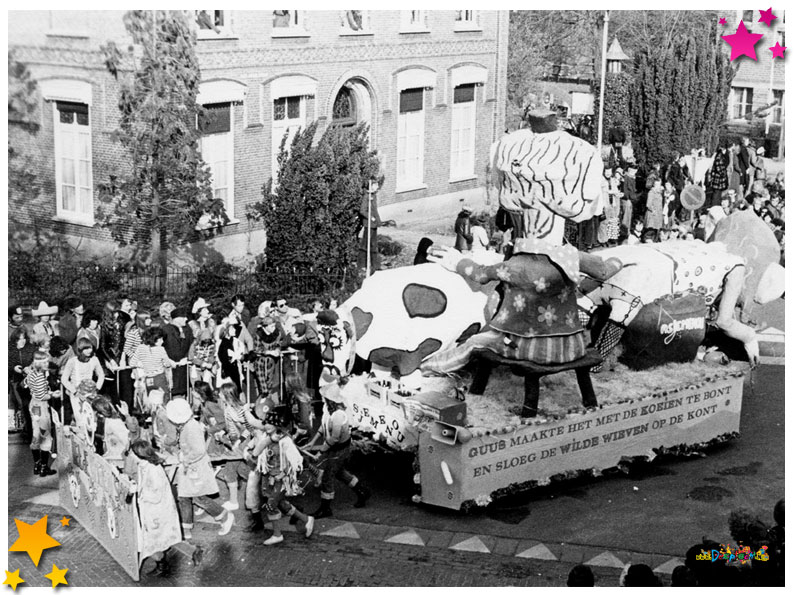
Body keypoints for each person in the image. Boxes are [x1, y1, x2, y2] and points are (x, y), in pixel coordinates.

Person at [166, 398, 235, 538]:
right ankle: (186, 529)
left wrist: (184, 458)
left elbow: (198, 450)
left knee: (198, 498)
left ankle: (224, 516)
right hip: (190, 468)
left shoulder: (191, 427)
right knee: (184, 496)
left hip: (195, 468)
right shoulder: (188, 425)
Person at [307, 378, 370, 518]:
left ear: (331, 400)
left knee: (327, 477)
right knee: (339, 472)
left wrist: (321, 450)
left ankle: (325, 508)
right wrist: (313, 441)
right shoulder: (328, 411)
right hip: (335, 448)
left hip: (340, 449)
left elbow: (334, 438)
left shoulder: (339, 416)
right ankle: (362, 490)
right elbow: (323, 428)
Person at [250, 421, 315, 545]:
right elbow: (256, 453)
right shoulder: (266, 437)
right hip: (269, 478)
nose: (266, 427)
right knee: (280, 504)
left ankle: (277, 535)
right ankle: (306, 519)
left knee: (271, 505)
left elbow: (295, 461)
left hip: (282, 480)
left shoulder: (285, 441)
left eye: (269, 424)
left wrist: (284, 474)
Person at [126, 439, 183, 576]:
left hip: (157, 511)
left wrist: (139, 492)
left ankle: (162, 565)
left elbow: (156, 495)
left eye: (132, 453)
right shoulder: (143, 465)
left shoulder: (154, 470)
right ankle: (162, 563)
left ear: (138, 454)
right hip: (150, 509)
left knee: (152, 540)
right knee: (153, 539)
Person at [24, 350, 58, 476]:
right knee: (46, 435)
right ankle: (44, 467)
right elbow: (42, 395)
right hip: (41, 406)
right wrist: (53, 395)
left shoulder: (32, 373)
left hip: (34, 406)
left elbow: (26, 385)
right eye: (45, 362)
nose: (47, 364)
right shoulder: (39, 377)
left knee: (36, 433)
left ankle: (37, 464)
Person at [132, 327, 179, 404]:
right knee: (164, 400)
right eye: (161, 339)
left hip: (148, 378)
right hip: (159, 377)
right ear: (155, 339)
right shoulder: (161, 349)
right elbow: (167, 364)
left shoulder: (140, 348)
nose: (162, 341)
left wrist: (143, 364)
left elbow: (132, 363)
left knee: (151, 401)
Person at [251, 316, 288, 399]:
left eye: (274, 326)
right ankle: (262, 402)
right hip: (260, 360)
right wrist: (269, 352)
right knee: (262, 384)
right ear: (265, 326)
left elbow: (278, 343)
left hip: (271, 361)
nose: (273, 328)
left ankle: (268, 404)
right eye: (271, 326)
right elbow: (256, 349)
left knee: (270, 383)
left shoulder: (277, 333)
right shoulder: (258, 334)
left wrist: (277, 350)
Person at [9, 327, 37, 439]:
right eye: (20, 339)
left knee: (30, 405)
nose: (23, 341)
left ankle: (31, 430)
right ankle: (28, 429)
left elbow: (36, 360)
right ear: (15, 339)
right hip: (16, 380)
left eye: (24, 338)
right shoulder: (9, 349)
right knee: (22, 405)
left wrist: (30, 367)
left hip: (30, 380)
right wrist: (14, 368)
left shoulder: (31, 348)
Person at [162, 307, 193, 399]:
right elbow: (159, 347)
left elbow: (192, 345)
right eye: (184, 317)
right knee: (173, 391)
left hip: (184, 367)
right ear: (177, 318)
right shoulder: (165, 330)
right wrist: (167, 360)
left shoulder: (188, 330)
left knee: (184, 390)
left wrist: (187, 357)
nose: (186, 319)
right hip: (171, 367)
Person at [218, 321, 246, 394]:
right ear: (227, 331)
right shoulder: (224, 343)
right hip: (229, 370)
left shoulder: (234, 341)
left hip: (234, 368)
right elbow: (223, 358)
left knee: (236, 388)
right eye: (232, 329)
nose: (235, 330)